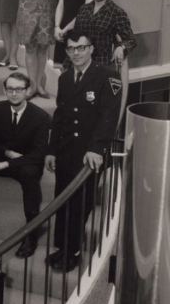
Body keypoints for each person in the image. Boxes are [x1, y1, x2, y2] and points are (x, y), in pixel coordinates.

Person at [44, 31, 123, 272]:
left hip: (90, 154)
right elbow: (60, 115)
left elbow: (109, 116)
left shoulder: (108, 76)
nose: (76, 53)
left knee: (80, 203)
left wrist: (97, 148)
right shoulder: (65, 78)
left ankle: (74, 251)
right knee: (62, 198)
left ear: (91, 49)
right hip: (67, 151)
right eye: (71, 49)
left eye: (81, 47)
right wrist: (51, 149)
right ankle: (61, 247)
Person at [0, 72, 52, 258]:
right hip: (2, 158)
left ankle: (31, 232)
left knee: (31, 173)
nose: (14, 94)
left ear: (28, 91)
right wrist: (7, 153)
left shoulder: (41, 117)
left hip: (26, 163)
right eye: (10, 89)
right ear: (4, 90)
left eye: (19, 89)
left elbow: (38, 155)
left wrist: (7, 163)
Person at [71, 0, 137, 118]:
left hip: (100, 67)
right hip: (78, 65)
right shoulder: (83, 9)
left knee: (94, 109)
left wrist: (121, 47)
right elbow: (76, 38)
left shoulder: (116, 12)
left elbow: (131, 40)